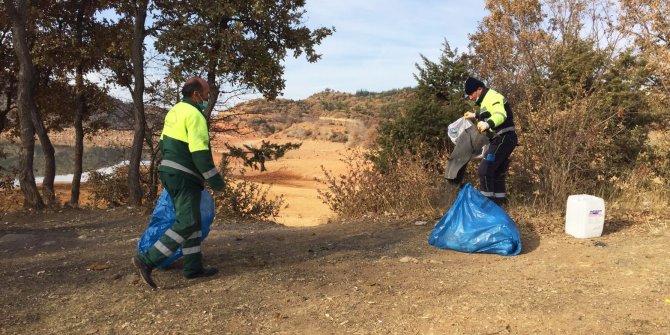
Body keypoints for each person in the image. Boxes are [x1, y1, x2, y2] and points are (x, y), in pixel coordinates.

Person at [133, 77, 225, 289]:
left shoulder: (174, 111)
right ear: (196, 94)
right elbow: (200, 152)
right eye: (206, 93)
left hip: (170, 173)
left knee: (190, 220)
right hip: (185, 176)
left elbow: (164, 143)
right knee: (186, 223)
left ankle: (193, 268)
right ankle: (147, 260)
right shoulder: (195, 115)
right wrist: (216, 181)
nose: (208, 97)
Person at [462, 77, 517, 207]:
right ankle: (500, 205)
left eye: (471, 94)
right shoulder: (485, 100)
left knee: (485, 171)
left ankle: (487, 207)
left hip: (503, 137)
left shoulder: (492, 96)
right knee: (496, 172)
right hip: (503, 138)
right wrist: (474, 116)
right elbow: (489, 113)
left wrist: (488, 124)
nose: (470, 97)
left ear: (479, 89)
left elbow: (500, 114)